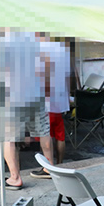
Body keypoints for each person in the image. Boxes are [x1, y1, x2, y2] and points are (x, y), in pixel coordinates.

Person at [0, 31, 52, 190]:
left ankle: (15, 178)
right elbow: (44, 65)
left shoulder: (3, 44)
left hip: (14, 97)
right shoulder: (31, 40)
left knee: (8, 139)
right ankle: (49, 167)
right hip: (35, 93)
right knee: (43, 132)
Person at [30, 37, 70, 177]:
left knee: (45, 136)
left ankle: (49, 166)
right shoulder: (61, 49)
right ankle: (59, 163)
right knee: (60, 135)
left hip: (43, 100)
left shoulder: (36, 49)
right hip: (59, 99)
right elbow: (67, 75)